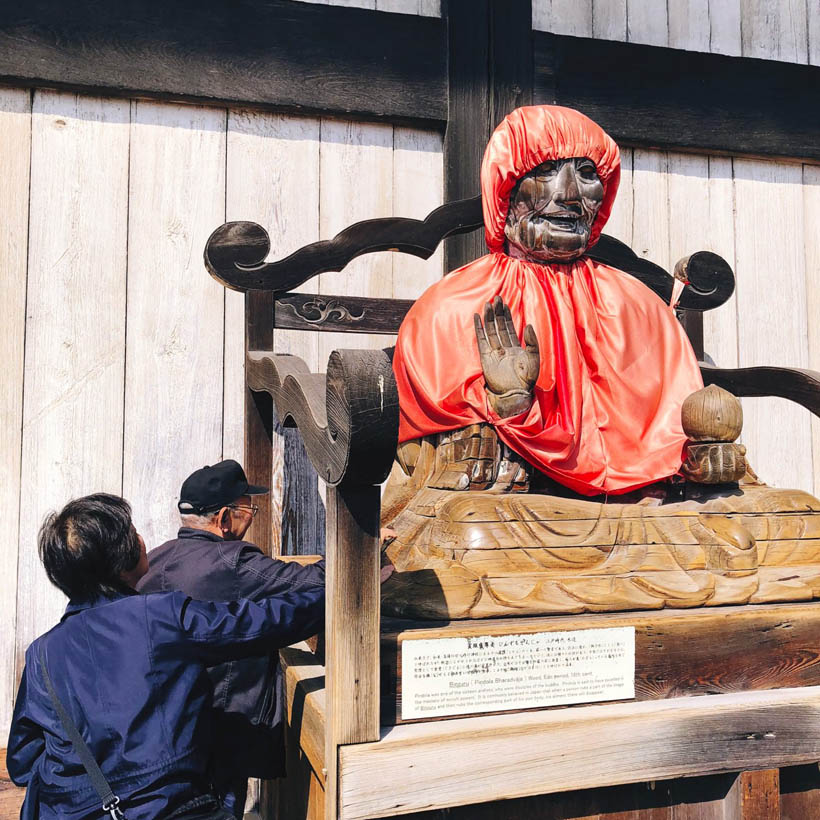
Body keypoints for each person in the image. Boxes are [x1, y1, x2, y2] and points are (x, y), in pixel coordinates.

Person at [392, 104, 703, 497]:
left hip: (638, 509)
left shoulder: (638, 309)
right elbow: (418, 457)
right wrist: (504, 406)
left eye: (588, 174)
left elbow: (681, 425)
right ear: (505, 188)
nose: (571, 196)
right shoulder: (453, 307)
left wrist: (708, 446)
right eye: (544, 171)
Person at [7, 493, 324, 820]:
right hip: (168, 808)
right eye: (132, 532)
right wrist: (339, 591)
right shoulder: (158, 616)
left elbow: (22, 762)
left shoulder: (41, 655)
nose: (142, 539)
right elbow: (262, 621)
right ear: (123, 556)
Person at [137, 460, 325, 817]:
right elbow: (310, 583)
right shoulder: (234, 562)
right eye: (247, 508)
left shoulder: (155, 560)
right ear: (224, 518)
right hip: (221, 729)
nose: (251, 516)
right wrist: (368, 548)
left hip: (157, 729)